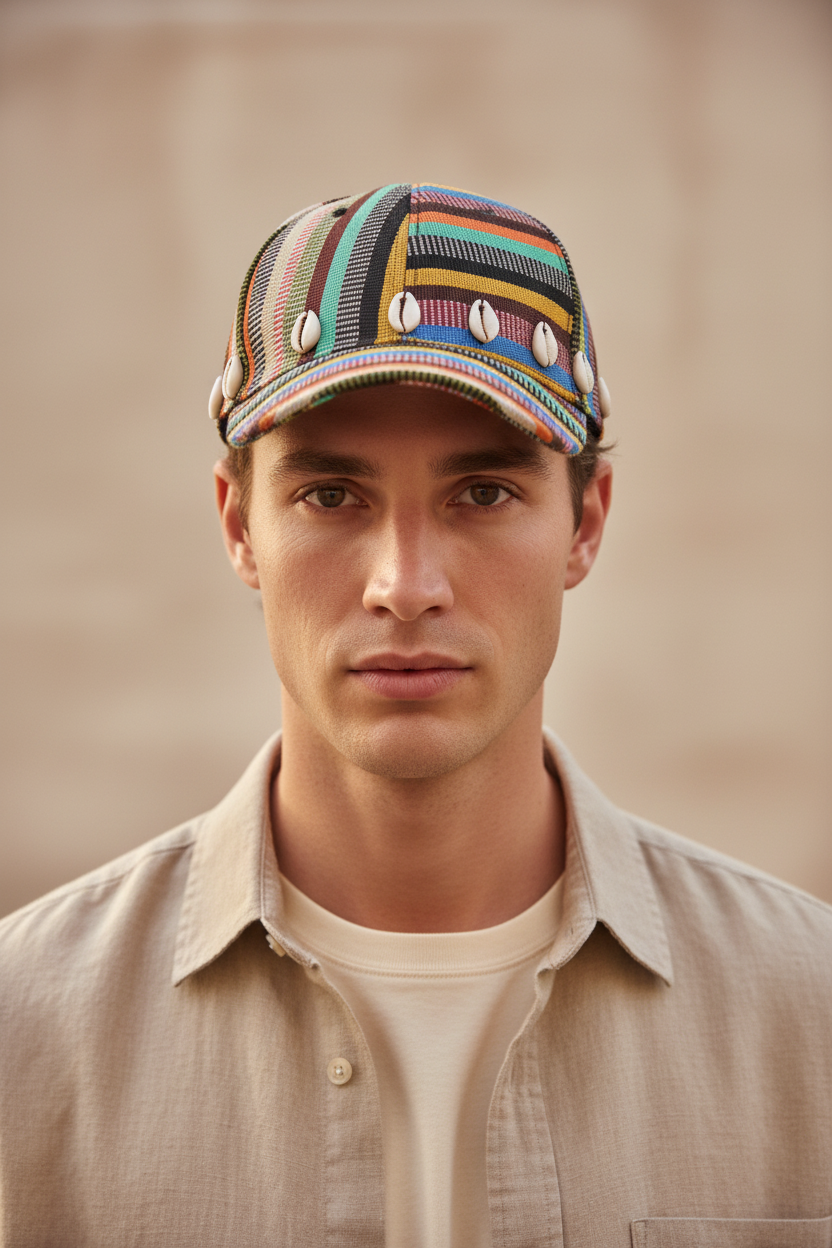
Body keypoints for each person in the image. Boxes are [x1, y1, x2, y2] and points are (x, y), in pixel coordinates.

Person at [0, 183, 830, 1248]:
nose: (404, 584)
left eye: (481, 493)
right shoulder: (27, 1032)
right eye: (329, 496)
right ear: (238, 526)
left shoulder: (803, 1019)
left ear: (584, 524)